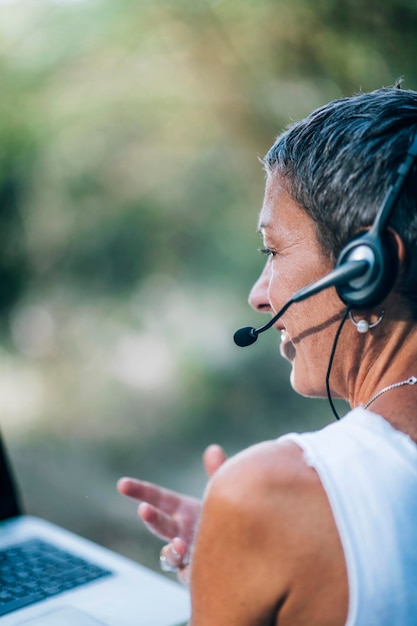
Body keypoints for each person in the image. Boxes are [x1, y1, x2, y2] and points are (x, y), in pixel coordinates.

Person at [117, 85, 417, 625]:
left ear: (366, 270)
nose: (259, 294)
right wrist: (236, 560)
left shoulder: (268, 490)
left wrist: (252, 529)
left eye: (272, 250)